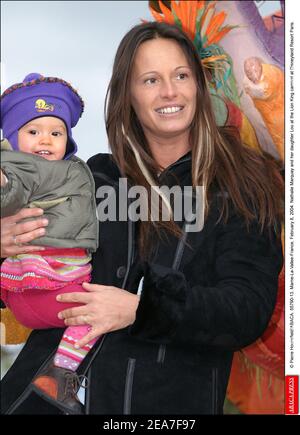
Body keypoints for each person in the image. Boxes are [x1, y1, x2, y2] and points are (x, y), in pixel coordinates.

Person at [1, 22, 283, 415]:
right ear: (127, 95)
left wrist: (141, 310)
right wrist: (5, 242)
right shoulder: (91, 177)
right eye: (150, 80)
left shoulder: (243, 185)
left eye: (181, 75)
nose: (169, 91)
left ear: (198, 85)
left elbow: (245, 310)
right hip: (33, 399)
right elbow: (25, 264)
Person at [0, 73, 100, 414]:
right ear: (12, 138)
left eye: (55, 132)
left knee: (92, 314)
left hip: (51, 288)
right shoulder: (16, 166)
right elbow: (11, 193)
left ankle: (60, 376)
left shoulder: (72, 170)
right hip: (37, 281)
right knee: (91, 315)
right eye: (33, 131)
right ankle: (60, 376)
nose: (45, 140)